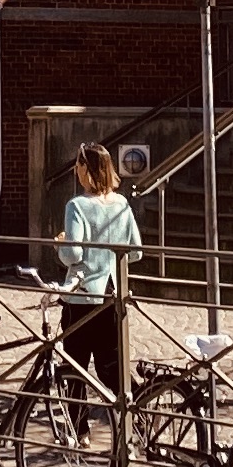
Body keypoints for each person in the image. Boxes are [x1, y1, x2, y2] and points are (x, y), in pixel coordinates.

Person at [52, 142, 142, 401]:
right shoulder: (122, 204)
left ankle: (79, 424)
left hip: (82, 296)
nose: (75, 171)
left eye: (77, 165)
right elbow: (136, 251)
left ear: (85, 169)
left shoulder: (77, 205)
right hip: (112, 294)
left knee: (74, 369)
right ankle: (138, 407)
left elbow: (73, 254)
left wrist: (60, 245)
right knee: (111, 366)